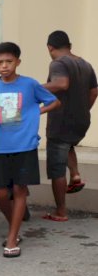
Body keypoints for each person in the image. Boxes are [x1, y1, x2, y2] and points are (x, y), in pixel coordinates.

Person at [0, 42, 59, 258]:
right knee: (1, 193)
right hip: (1, 147)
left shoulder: (30, 85)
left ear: (18, 62)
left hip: (25, 145)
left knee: (20, 190)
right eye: (0, 62)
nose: (4, 66)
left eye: (9, 61)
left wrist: (35, 113)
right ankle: (16, 219)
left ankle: (12, 238)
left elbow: (54, 102)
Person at [42, 30, 98, 221]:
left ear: (50, 48)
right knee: (68, 145)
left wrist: (33, 87)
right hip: (81, 121)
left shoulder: (58, 63)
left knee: (57, 168)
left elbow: (61, 84)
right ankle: (75, 175)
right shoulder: (85, 64)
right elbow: (94, 92)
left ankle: (61, 212)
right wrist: (84, 109)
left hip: (61, 121)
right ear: (70, 45)